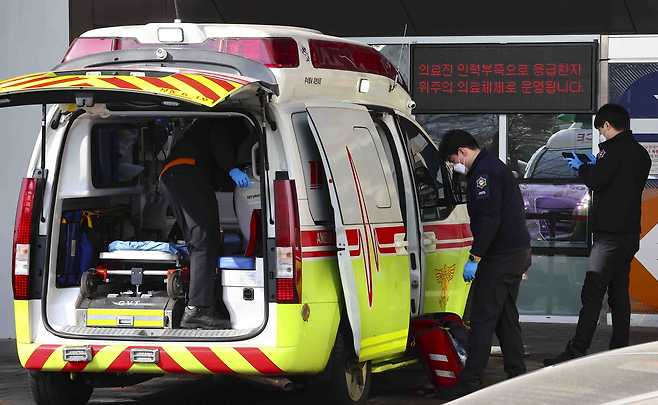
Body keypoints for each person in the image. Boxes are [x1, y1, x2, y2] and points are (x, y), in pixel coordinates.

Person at [544, 104, 651, 366]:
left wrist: (582, 168)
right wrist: (595, 165)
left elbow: (596, 181)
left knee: (592, 294)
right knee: (619, 294)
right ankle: (619, 349)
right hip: (629, 234)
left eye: (601, 130)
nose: (601, 134)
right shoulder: (641, 153)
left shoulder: (611, 151)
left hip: (607, 237)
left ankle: (576, 350)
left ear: (607, 125)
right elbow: (620, 181)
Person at [437, 130, 531, 400]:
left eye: (454, 160)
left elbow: (489, 219)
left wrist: (475, 257)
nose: (456, 165)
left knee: (482, 319)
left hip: (500, 256)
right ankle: (518, 374)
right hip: (515, 252)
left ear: (462, 152)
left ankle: (470, 382)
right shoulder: (493, 167)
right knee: (505, 317)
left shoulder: (483, 174)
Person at [159, 118, 253, 329]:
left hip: (174, 174)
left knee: (200, 241)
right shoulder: (223, 119)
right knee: (204, 240)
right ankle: (198, 310)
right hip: (187, 174)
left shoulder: (197, 127)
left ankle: (203, 305)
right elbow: (218, 140)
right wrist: (231, 168)